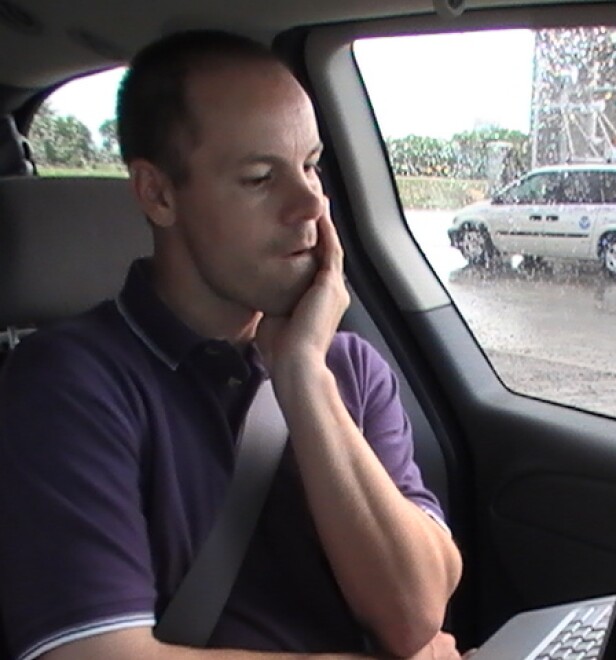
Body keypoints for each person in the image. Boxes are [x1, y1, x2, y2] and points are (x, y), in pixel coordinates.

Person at [0, 30, 463, 660]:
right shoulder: (69, 384)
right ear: (158, 194)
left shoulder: (347, 366)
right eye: (258, 178)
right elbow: (93, 655)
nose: (310, 204)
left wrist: (300, 378)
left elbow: (413, 616)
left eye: (310, 164)